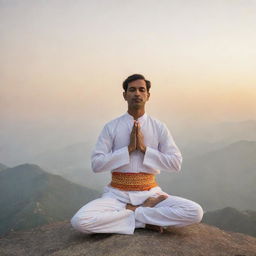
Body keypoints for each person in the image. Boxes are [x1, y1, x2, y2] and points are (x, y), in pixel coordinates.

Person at [71, 74, 203, 234]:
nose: (137, 94)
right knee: (80, 221)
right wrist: (128, 149)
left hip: (151, 195)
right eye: (132, 90)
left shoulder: (159, 127)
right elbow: (97, 164)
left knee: (195, 212)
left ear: (148, 95)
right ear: (125, 95)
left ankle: (133, 213)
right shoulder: (111, 127)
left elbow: (176, 163)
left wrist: (143, 149)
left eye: (142, 90)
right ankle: (144, 219)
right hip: (117, 196)